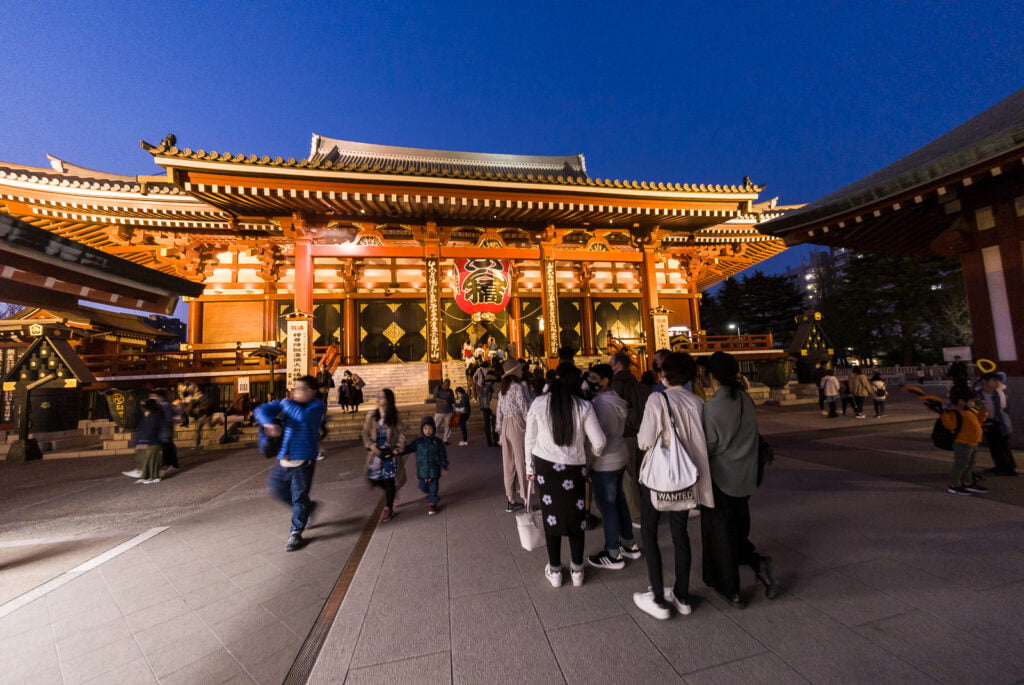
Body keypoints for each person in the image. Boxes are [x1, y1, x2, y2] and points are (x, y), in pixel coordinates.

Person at [632, 352, 711, 619]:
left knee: (650, 533)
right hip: (688, 476)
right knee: (681, 534)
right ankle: (682, 595)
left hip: (661, 476)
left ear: (665, 374)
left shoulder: (658, 398)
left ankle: (657, 596)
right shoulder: (698, 401)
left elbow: (644, 440)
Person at [698, 352, 778, 609]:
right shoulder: (744, 398)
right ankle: (757, 563)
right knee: (738, 526)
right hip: (746, 474)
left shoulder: (712, 408)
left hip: (722, 477)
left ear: (711, 375)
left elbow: (710, 446)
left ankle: (729, 588)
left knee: (721, 532)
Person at [525, 363, 606, 588]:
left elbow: (529, 440)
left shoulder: (539, 404)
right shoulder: (584, 406)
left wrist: (529, 468)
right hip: (574, 468)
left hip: (545, 468)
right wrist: (589, 461)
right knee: (575, 519)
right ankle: (578, 570)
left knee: (550, 516)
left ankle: (555, 571)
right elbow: (599, 441)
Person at [254, 375, 326, 551]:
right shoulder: (289, 403)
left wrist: (285, 403)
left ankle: (296, 532)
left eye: (300, 389)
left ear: (311, 391)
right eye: (294, 389)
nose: (295, 392)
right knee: (277, 490)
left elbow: (302, 417)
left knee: (299, 497)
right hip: (283, 459)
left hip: (303, 461)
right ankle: (308, 508)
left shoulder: (316, 406)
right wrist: (269, 423)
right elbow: (260, 410)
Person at [585, 363, 641, 570]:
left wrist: (590, 462)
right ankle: (629, 543)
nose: (589, 382)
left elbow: (598, 440)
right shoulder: (617, 400)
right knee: (620, 502)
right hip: (620, 454)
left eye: (593, 378)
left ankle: (613, 552)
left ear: (606, 380)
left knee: (608, 507)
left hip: (605, 460)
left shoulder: (599, 405)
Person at [610, 350, 651, 525]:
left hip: (624, 434)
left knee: (628, 476)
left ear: (618, 365)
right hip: (643, 433)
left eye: (612, 363)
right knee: (642, 474)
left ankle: (637, 516)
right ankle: (649, 508)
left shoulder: (614, 386)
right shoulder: (640, 385)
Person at [362, 388, 407, 522]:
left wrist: (398, 447)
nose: (378, 398)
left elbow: (402, 433)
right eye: (378, 396)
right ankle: (391, 493)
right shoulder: (372, 415)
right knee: (373, 478)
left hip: (390, 454)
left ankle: (388, 508)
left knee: (389, 480)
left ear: (388, 399)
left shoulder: (394, 416)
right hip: (375, 453)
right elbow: (364, 433)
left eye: (382, 396)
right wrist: (370, 445)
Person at [935, 386, 989, 495]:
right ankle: (954, 485)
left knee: (969, 464)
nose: (974, 404)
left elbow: (978, 423)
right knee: (961, 465)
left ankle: (967, 482)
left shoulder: (969, 412)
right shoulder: (955, 413)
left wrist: (983, 412)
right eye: (972, 401)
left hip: (972, 443)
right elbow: (950, 425)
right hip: (963, 443)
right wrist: (943, 413)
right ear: (961, 401)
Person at [496, 359, 531, 512]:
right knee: (521, 461)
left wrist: (499, 433)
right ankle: (525, 497)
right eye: (520, 369)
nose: (522, 371)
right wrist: (530, 426)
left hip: (505, 425)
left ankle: (510, 498)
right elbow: (525, 408)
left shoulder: (502, 389)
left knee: (508, 463)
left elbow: (499, 411)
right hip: (517, 424)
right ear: (515, 371)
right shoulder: (517, 387)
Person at [402, 416, 449, 515]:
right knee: (423, 487)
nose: (428, 430)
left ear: (434, 429)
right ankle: (429, 495)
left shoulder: (437, 442)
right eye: (425, 428)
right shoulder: (418, 442)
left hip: (434, 470)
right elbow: (409, 448)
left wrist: (444, 466)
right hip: (422, 471)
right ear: (422, 429)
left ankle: (433, 504)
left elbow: (442, 455)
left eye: (430, 428)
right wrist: (400, 450)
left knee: (434, 488)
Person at [977, 372, 1017, 476]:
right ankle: (1002, 467)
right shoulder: (978, 395)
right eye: (994, 380)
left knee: (1003, 446)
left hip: (1002, 423)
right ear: (984, 381)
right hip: (988, 424)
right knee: (994, 447)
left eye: (998, 380)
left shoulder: (1001, 394)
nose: (997, 383)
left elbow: (1007, 409)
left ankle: (1008, 468)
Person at [122, 398, 165, 483]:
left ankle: (153, 476)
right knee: (147, 459)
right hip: (150, 441)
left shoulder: (154, 416)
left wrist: (144, 441)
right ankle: (147, 476)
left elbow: (150, 430)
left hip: (153, 442)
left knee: (151, 460)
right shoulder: (150, 416)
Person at [149, 389, 178, 473]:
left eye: (156, 397)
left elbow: (168, 418)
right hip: (166, 430)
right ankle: (172, 465)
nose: (155, 399)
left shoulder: (164, 405)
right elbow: (174, 413)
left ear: (161, 397)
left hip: (164, 430)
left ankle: (169, 465)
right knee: (168, 447)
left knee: (167, 448)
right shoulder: (167, 404)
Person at [477, 362, 499, 447]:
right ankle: (495, 440)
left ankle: (488, 441)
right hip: (493, 404)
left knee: (486, 423)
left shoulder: (483, 381)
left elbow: (480, 395)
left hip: (484, 404)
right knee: (494, 422)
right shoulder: (496, 381)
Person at [432, 378, 455, 444]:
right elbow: (435, 398)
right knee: (436, 426)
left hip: (449, 411)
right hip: (439, 411)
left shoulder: (450, 391)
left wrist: (454, 409)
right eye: (446, 385)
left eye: (448, 385)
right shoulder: (438, 389)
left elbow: (453, 401)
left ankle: (445, 439)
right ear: (443, 383)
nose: (447, 386)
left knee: (448, 426)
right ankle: (435, 439)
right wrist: (443, 401)